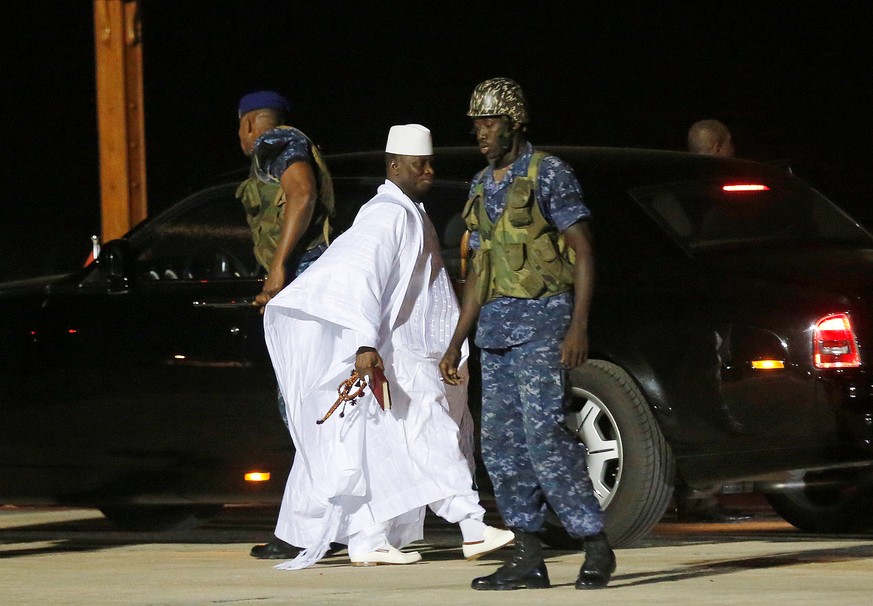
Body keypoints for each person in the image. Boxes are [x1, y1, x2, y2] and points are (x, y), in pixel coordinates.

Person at [262, 124, 515, 569]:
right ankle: (473, 527)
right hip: (401, 353)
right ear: (394, 165)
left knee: (384, 453)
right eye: (419, 165)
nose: (429, 172)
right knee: (431, 439)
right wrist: (364, 342)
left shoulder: (409, 210)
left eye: (430, 164)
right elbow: (363, 277)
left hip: (416, 352)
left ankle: (368, 540)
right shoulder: (386, 213)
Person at [439, 78, 615, 591]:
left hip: (543, 322)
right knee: (500, 446)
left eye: (490, 123)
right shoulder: (480, 184)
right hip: (496, 332)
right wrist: (457, 341)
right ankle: (527, 554)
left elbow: (582, 249)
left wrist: (577, 324)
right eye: (476, 125)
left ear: (514, 123)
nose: (481, 134)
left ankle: (595, 544)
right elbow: (479, 271)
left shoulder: (548, 173)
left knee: (546, 438)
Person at [236, 90, 337, 560]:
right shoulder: (290, 142)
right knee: (308, 410)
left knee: (303, 410)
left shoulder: (274, 144)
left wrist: (278, 270)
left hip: (302, 286)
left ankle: (311, 528)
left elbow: (301, 192)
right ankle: (312, 523)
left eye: (240, 126)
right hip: (308, 286)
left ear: (252, 122)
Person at [675, 118, 754, 524]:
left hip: (680, 311)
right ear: (722, 146)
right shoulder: (727, 191)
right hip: (713, 313)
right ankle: (702, 495)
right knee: (713, 395)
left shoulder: (675, 189)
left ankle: (693, 492)